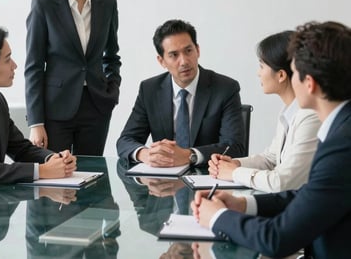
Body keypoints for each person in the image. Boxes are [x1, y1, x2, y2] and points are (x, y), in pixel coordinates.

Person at [191, 21, 351, 258]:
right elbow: (308, 194)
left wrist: (218, 217)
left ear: (310, 84)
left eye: (294, 72)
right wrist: (242, 205)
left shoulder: (341, 146)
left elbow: (277, 239)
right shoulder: (341, 129)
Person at [25, 0, 121, 155]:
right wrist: (36, 122)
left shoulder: (107, 4)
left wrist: (111, 91)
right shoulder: (43, 6)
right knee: (57, 177)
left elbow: (111, 56)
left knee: (91, 173)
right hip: (56, 108)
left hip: (97, 106)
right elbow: (34, 67)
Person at [117, 19, 245, 167]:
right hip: (164, 181)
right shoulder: (149, 89)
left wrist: (189, 156)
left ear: (198, 50)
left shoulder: (225, 88)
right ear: (162, 61)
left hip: (209, 178)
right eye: (174, 55)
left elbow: (234, 147)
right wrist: (145, 154)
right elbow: (125, 140)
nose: (184, 61)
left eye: (188, 51)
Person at [208, 31, 321, 192]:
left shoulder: (310, 116)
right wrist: (236, 164)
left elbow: (282, 182)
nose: (258, 73)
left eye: (262, 66)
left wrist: (234, 173)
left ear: (281, 75)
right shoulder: (288, 111)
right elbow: (271, 158)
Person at [0, 26, 76, 188]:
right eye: (7, 60)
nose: (14, 65)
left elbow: (21, 149)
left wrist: (53, 159)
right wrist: (41, 171)